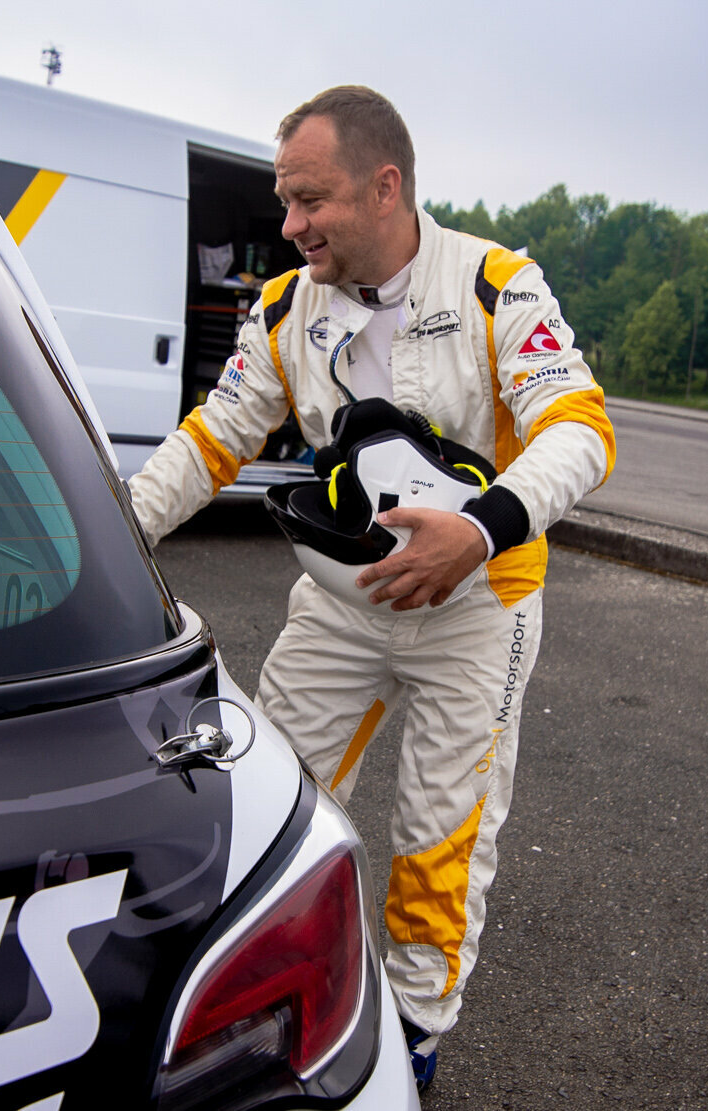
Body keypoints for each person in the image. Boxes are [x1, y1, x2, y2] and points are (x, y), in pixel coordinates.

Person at [128, 86, 616, 1091]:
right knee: (260, 806)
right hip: (341, 608)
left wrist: (476, 533)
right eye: (284, 200)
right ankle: (249, 996)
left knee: (438, 838)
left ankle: (413, 1039)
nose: (288, 223)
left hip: (476, 614)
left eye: (309, 201)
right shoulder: (281, 307)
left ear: (384, 186)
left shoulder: (493, 284)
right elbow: (210, 444)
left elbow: (581, 431)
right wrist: (104, 540)